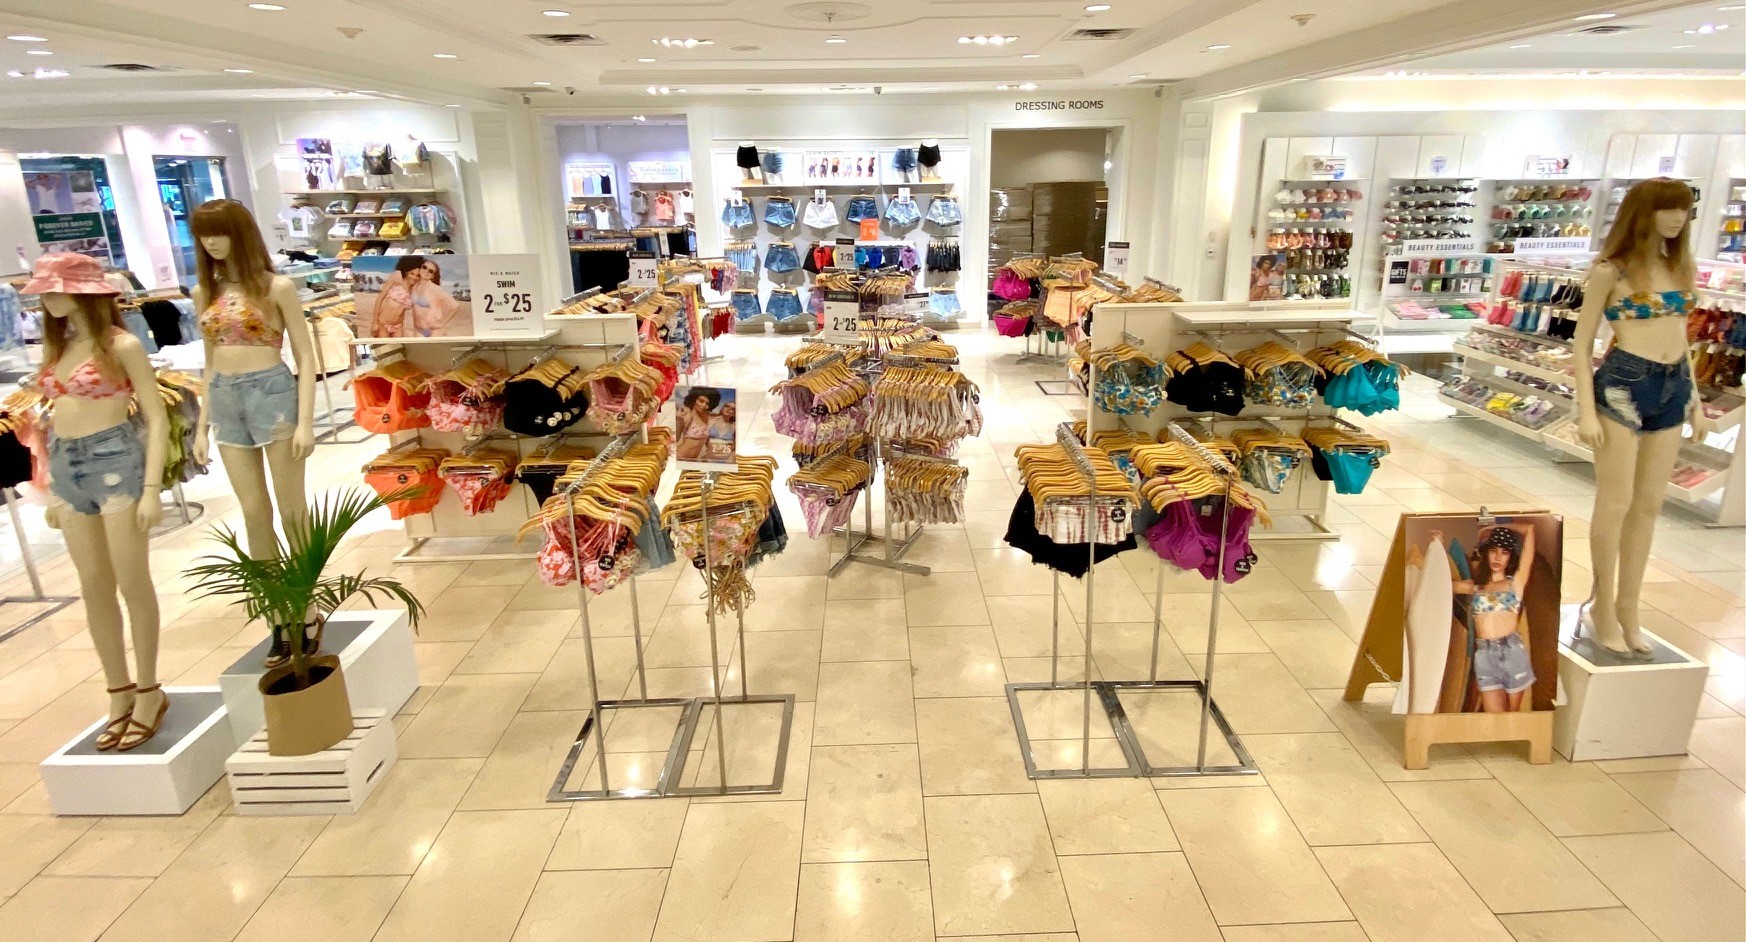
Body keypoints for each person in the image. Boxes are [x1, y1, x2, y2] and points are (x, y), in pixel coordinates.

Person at [1440, 524, 1538, 713]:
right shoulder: (1476, 587)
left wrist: (1494, 526)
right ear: (1486, 553)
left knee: (1511, 716)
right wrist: (1438, 544)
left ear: (1510, 557)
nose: (1498, 557)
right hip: (1485, 654)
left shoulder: (1515, 583)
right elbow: (1441, 583)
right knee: (1495, 716)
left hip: (1512, 651)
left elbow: (1530, 530)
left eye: (1504, 552)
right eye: (1494, 551)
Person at [409, 258, 462, 337]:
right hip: (418, 330)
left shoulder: (435, 289)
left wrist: (442, 323)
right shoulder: (414, 286)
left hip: (433, 330)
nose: (426, 271)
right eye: (424, 267)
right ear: (420, 268)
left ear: (433, 276)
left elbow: (455, 306)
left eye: (430, 271)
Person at [372, 256, 421, 338]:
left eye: (418, 275)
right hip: (383, 323)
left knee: (399, 345)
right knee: (385, 346)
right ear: (406, 271)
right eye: (412, 273)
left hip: (398, 325)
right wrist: (374, 323)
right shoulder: (397, 276)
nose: (414, 277)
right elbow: (380, 299)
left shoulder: (415, 288)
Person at [676, 388, 719, 461]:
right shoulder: (687, 415)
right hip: (680, 457)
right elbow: (676, 438)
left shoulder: (707, 418)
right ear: (693, 399)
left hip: (694, 461)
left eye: (707, 403)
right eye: (701, 401)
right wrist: (679, 421)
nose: (704, 405)